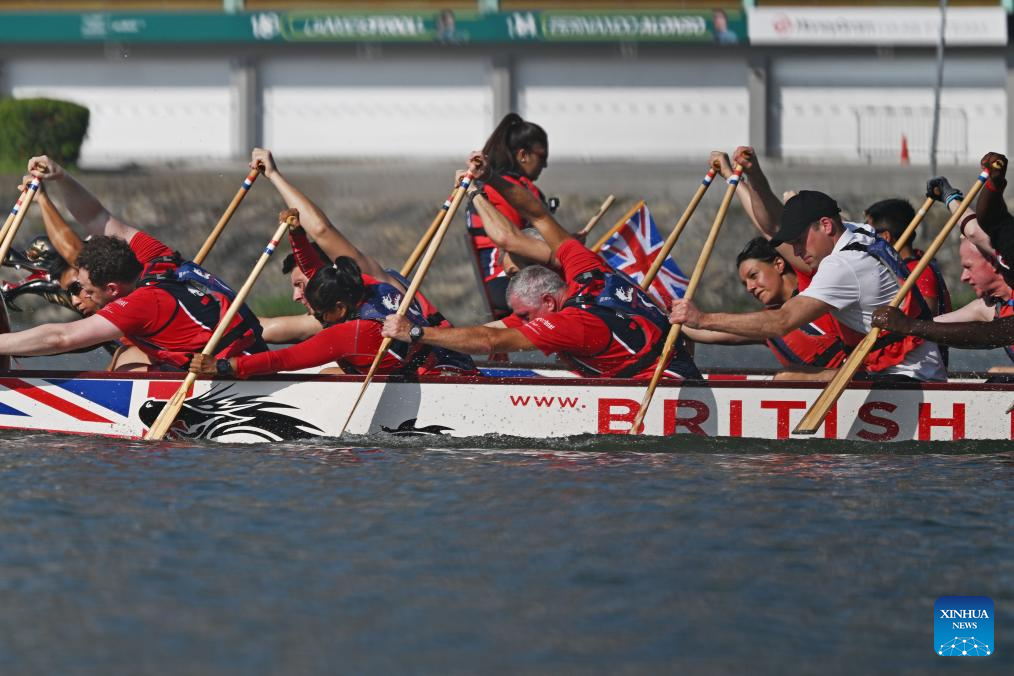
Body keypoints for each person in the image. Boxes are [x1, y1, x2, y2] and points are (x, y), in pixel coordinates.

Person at [382, 156, 701, 381]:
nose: (517, 322)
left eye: (523, 316)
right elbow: (538, 215)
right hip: (673, 365)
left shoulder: (572, 323)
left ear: (548, 301)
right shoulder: (585, 265)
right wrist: (486, 180)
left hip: (665, 385)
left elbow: (491, 341)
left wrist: (415, 332)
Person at [0, 156, 268, 371]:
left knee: (130, 363)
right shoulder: (152, 256)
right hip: (243, 353)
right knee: (126, 358)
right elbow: (96, 217)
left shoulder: (139, 305)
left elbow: (61, 337)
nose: (81, 297)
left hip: (234, 371)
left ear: (113, 289)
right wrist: (60, 175)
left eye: (88, 290)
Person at [670, 190, 947, 382]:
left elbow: (782, 321)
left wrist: (701, 318)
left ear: (826, 225)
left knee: (786, 378)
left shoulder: (842, 266)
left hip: (905, 378)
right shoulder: (859, 232)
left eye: (800, 240)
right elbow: (771, 226)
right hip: (917, 369)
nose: (796, 252)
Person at [190, 209, 474, 379]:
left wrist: (223, 366)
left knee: (319, 373)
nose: (315, 316)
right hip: (451, 362)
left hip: (444, 379)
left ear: (339, 308)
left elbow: (283, 360)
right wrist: (296, 232)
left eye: (319, 312)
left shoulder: (352, 332)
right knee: (327, 374)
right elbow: (313, 267)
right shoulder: (361, 284)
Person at [681, 237, 846, 379]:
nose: (749, 288)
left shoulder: (818, 284)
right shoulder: (764, 324)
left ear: (779, 264)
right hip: (831, 392)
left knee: (787, 377)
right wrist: (669, 320)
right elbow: (708, 332)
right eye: (745, 283)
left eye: (753, 276)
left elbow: (771, 225)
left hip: (860, 376)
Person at [873, 238, 1014, 380]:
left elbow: (988, 334)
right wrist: (884, 335)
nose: (963, 277)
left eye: (968, 267)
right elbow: (931, 325)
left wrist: (911, 326)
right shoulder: (988, 307)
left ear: (994, 263)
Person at [466, 113, 554, 319]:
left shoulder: (500, 186)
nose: (545, 164)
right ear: (522, 155)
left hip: (495, 280)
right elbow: (513, 244)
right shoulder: (508, 190)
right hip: (502, 281)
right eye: (542, 156)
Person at [864, 198, 951, 317]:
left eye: (867, 232)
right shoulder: (910, 265)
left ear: (885, 237)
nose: (863, 238)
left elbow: (924, 322)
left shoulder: (918, 272)